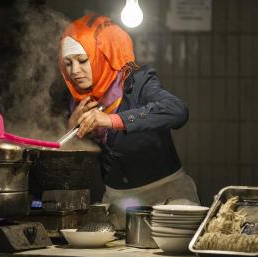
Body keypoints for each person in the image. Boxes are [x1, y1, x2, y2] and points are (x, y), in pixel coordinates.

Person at [58, 14, 200, 230]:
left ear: (104, 54)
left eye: (83, 60)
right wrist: (72, 129)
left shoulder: (137, 82)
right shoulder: (77, 101)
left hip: (168, 200)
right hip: (117, 205)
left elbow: (178, 111)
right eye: (68, 63)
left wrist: (112, 120)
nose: (74, 71)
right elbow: (66, 160)